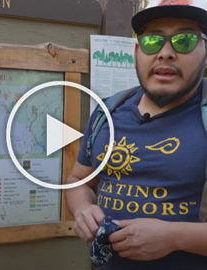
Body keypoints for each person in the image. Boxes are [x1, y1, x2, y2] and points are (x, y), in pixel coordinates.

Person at [65, 0, 207, 269]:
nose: (165, 53)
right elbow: (77, 181)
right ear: (136, 52)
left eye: (185, 40)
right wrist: (83, 209)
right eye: (152, 41)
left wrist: (175, 237)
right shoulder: (107, 111)